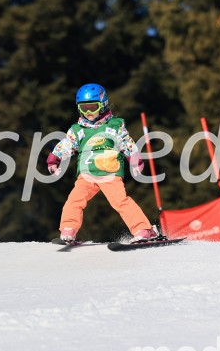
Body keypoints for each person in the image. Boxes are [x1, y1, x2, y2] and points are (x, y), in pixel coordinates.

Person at [46, 83, 158, 243]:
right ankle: (68, 229)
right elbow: (66, 145)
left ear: (103, 104)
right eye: (84, 108)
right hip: (86, 174)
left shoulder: (113, 126)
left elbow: (126, 142)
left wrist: (135, 160)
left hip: (110, 172)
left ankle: (143, 229)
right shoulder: (78, 130)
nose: (88, 113)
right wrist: (54, 159)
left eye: (93, 107)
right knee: (74, 200)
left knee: (120, 201)